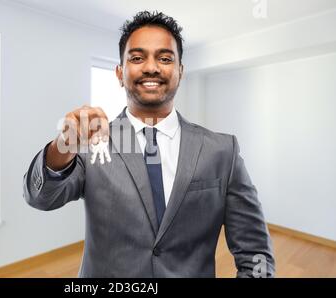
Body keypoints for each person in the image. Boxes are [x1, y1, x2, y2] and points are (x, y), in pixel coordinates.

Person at [23, 11, 275, 278]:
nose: (152, 67)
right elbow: (40, 198)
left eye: (165, 58)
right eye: (137, 57)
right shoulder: (91, 143)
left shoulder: (223, 151)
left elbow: (255, 252)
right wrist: (63, 145)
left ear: (180, 71)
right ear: (120, 73)